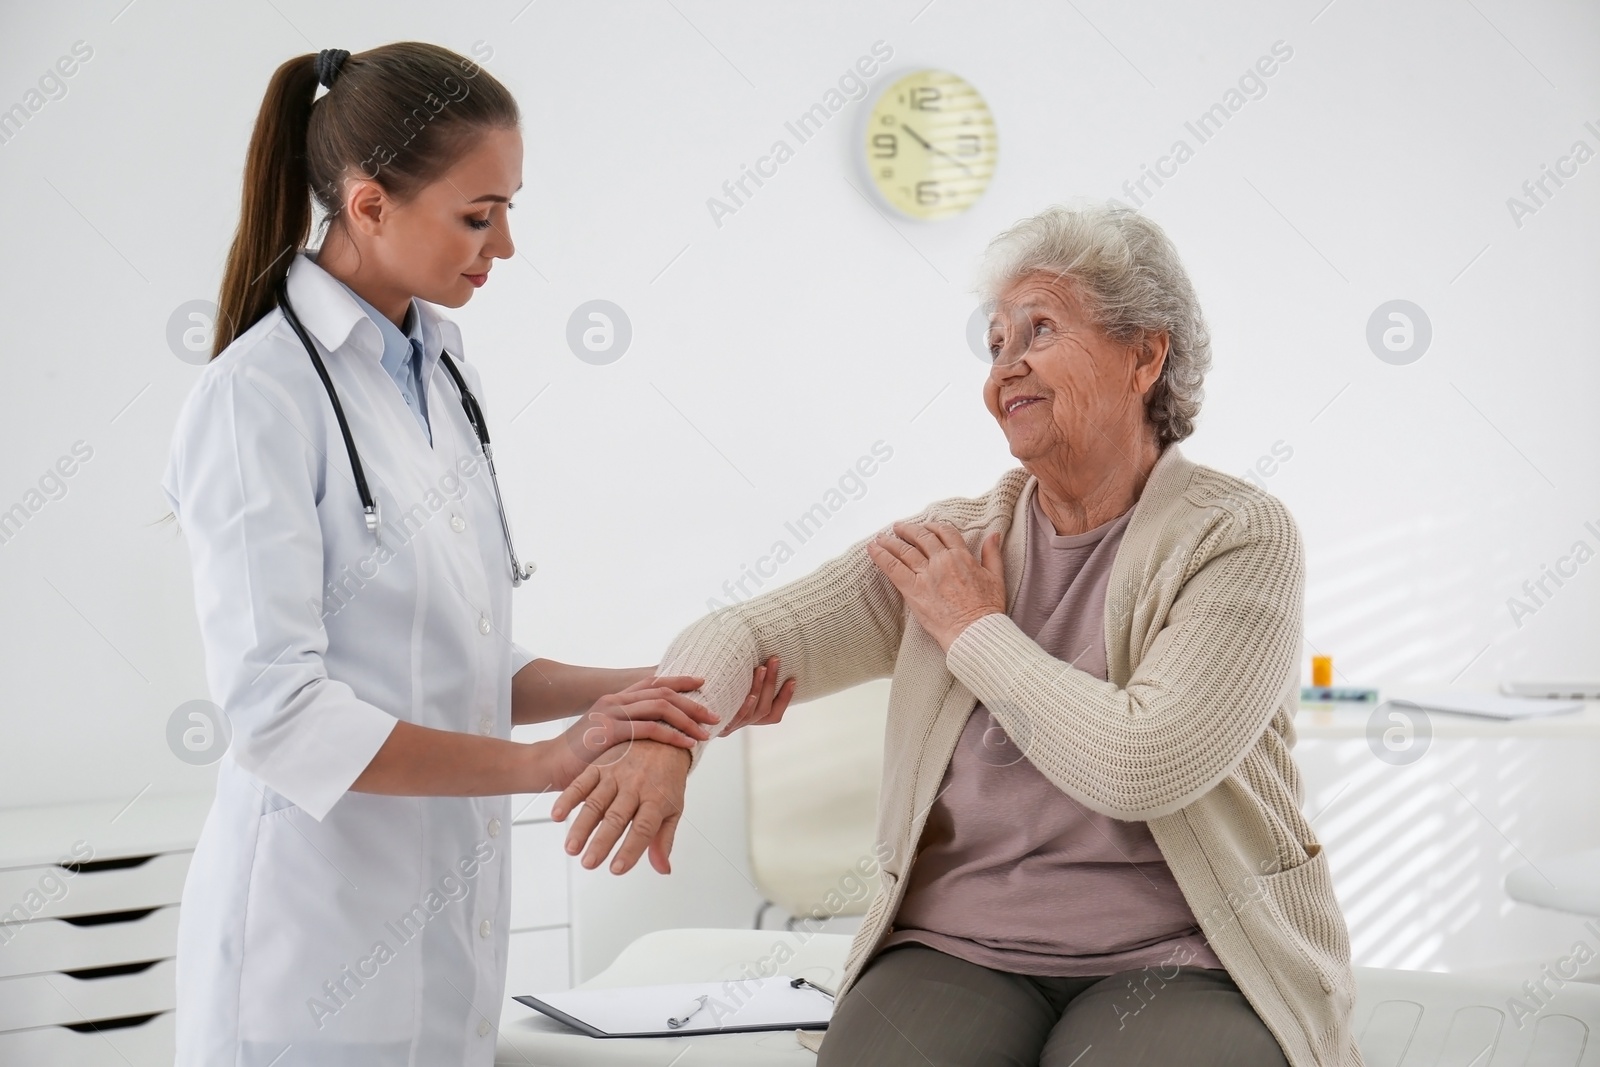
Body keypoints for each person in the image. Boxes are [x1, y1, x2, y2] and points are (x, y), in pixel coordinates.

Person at [553, 203, 1362, 1066]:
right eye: (994, 343)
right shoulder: (952, 543)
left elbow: (1143, 764)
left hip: (1189, 953)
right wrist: (667, 741)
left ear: (1145, 354)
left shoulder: (1236, 536)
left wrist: (974, 629)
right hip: (961, 946)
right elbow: (746, 630)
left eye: (1039, 330)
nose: (1004, 368)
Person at [159, 43, 793, 1066]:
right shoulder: (257, 396)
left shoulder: (442, 368)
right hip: (309, 952)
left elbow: (466, 660)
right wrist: (543, 761)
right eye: (476, 213)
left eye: (509, 206)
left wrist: (669, 689)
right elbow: (277, 713)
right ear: (368, 205)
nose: (503, 244)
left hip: (440, 933)